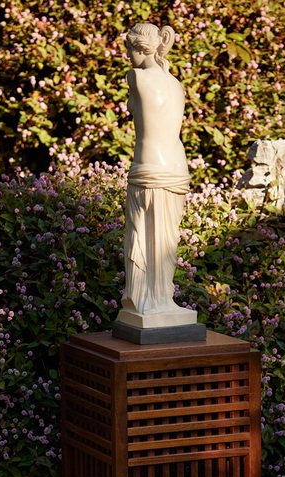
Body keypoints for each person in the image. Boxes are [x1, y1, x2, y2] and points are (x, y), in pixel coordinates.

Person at [120, 22, 191, 320]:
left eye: (128, 51)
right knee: (164, 242)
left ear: (140, 48)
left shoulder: (136, 77)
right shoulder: (177, 84)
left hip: (149, 167)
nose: (127, 58)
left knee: (140, 239)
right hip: (176, 168)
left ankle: (147, 302)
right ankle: (163, 300)